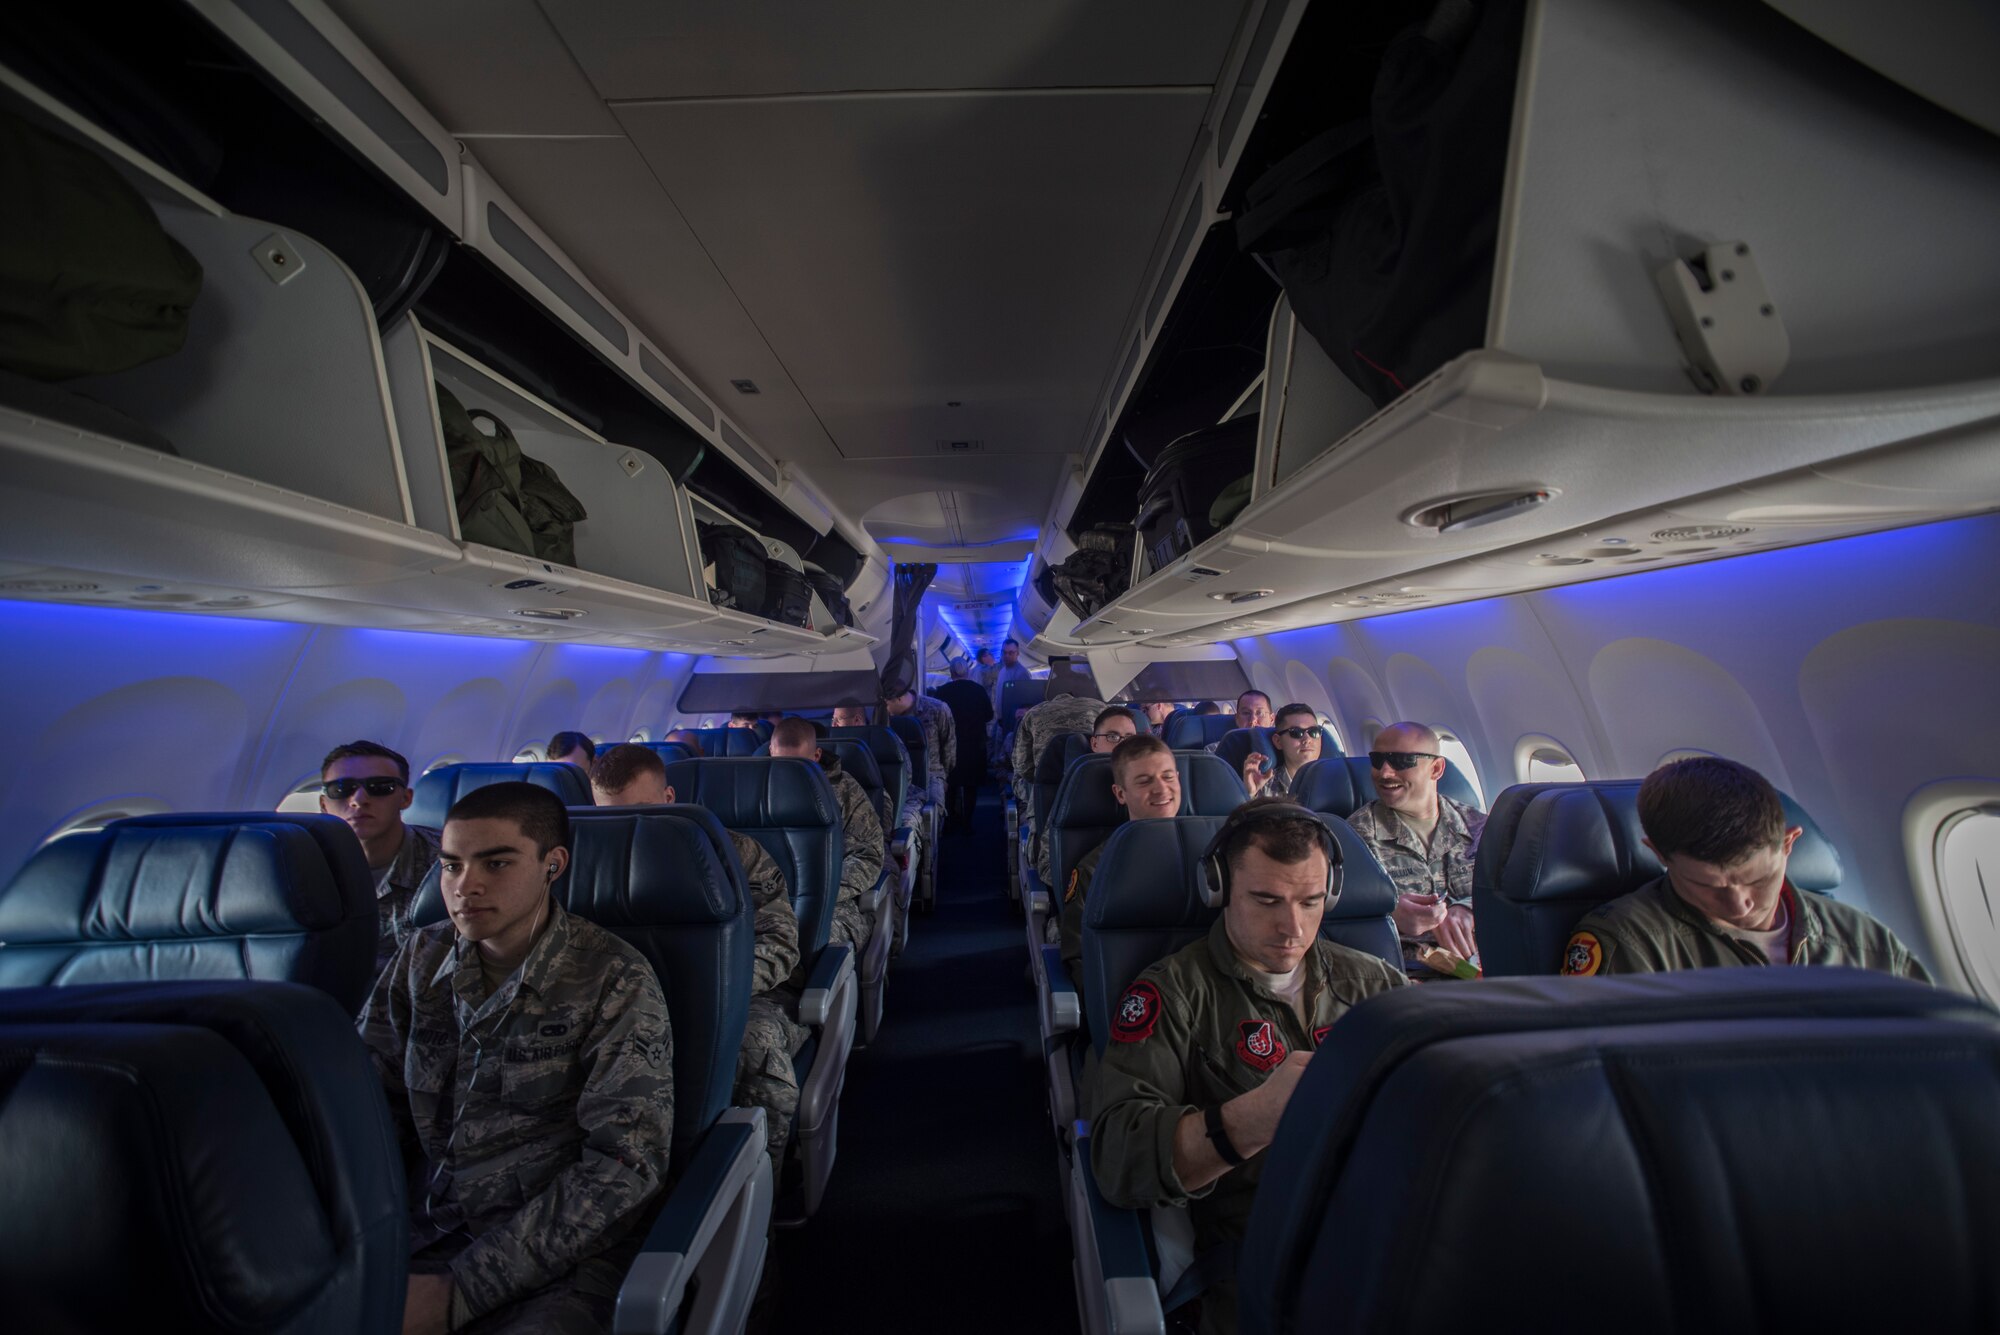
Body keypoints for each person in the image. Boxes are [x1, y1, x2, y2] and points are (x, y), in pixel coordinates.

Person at [358, 782, 672, 1335]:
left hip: (559, 1253)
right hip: (419, 1226)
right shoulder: (421, 958)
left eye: (496, 863)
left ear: (553, 865)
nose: (465, 887)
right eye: (451, 866)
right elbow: (363, 1100)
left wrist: (461, 1291)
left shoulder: (612, 977)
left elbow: (623, 1164)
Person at [1089, 798, 1407, 1335]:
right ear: (1218, 888)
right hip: (1267, 1256)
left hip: (1395, 1230)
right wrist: (1248, 1121)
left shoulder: (1377, 984)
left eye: (1310, 902)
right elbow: (1117, 1154)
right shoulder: (1174, 994)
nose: (1292, 928)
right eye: (1266, 901)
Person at [589, 745, 804, 1163]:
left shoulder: (734, 855)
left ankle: (765, 1179)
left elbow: (780, 944)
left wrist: (712, 989)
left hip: (730, 995)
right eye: (611, 816)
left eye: (640, 813)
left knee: (754, 1048)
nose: (627, 828)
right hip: (617, 1004)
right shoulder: (586, 859)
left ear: (669, 798)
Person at [1561, 757, 1933, 979]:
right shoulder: (1631, 943)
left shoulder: (1865, 942)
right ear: (1659, 854)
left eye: (1758, 879)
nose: (1740, 904)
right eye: (1709, 886)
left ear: (1788, 844)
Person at [1347, 722, 1486, 970]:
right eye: (1377, 761)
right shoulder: (1353, 837)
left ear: (1436, 768)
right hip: (1406, 975)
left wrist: (1468, 908)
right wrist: (1388, 915)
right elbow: (1334, 916)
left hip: (1487, 968)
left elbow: (1512, 893)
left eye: (1401, 761)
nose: (1384, 773)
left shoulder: (1480, 828)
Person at [1057, 733, 1182, 988]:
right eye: (1144, 781)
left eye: (1168, 777)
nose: (1161, 788)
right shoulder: (1097, 869)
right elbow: (1078, 957)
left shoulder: (1209, 853)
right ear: (1120, 793)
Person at [319, 740, 441, 976]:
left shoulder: (449, 861)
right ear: (324, 804)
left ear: (406, 798)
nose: (359, 799)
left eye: (380, 787)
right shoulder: (302, 867)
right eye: (341, 789)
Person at [768, 718, 884, 950]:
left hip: (829, 901)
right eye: (782, 763)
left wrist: (815, 891)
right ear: (771, 751)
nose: (789, 772)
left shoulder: (844, 790)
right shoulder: (753, 789)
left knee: (804, 941)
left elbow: (867, 855)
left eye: (798, 764)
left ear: (816, 755)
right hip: (766, 900)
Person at [1011, 675, 1110, 885]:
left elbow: (1023, 767)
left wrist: (1044, 782)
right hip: (1103, 787)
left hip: (1047, 797)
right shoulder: (1104, 710)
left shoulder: (1033, 714)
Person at [932, 656, 995, 832]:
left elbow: (936, 719)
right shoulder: (978, 690)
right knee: (970, 786)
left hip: (949, 745)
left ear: (951, 672)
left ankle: (950, 821)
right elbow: (989, 715)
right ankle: (968, 823)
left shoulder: (942, 691)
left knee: (950, 785)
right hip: (974, 745)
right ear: (967, 672)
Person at [883, 682, 955, 825]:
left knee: (933, 815)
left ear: (898, 699)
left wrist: (944, 777)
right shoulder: (883, 717)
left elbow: (949, 745)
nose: (885, 709)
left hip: (931, 773)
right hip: (898, 775)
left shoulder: (937, 709)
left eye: (887, 704)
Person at [1239, 703, 1322, 801]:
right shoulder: (1264, 787)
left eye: (1313, 731)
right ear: (1278, 741)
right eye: (1296, 732)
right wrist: (1250, 795)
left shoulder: (1334, 779)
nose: (1307, 739)